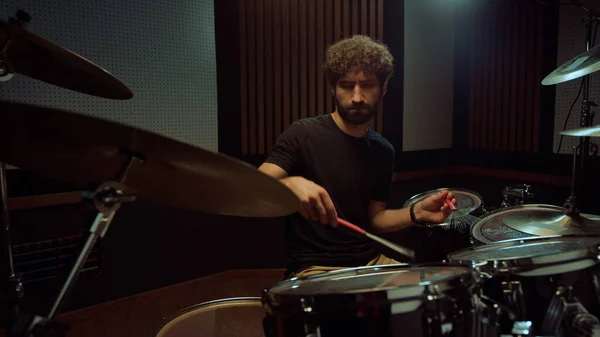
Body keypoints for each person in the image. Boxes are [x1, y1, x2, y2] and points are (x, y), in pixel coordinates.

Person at [258, 35, 455, 279]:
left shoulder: (383, 150)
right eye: (347, 85)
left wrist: (417, 213)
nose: (357, 97)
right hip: (315, 267)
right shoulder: (302, 133)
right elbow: (256, 186)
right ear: (333, 88)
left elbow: (376, 219)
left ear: (383, 89)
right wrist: (288, 184)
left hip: (369, 260)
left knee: (434, 290)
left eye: (368, 85)